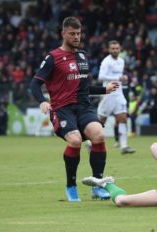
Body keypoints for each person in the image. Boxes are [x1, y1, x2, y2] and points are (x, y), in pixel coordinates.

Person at [29, 17, 119, 202]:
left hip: (84, 107)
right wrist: (42, 101)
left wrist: (104, 89)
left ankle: (98, 186)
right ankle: (71, 186)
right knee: (75, 141)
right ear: (63, 34)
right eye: (72, 34)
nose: (76, 37)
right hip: (62, 109)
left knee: (99, 136)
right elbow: (34, 84)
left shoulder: (82, 56)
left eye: (78, 33)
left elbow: (84, 88)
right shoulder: (53, 57)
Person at [97, 40, 135, 155]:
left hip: (118, 93)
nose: (115, 50)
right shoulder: (106, 61)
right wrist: (118, 77)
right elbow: (100, 77)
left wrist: (122, 79)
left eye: (117, 48)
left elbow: (119, 78)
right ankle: (89, 142)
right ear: (109, 50)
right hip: (108, 94)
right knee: (101, 121)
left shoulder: (121, 61)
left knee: (123, 118)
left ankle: (124, 146)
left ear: (120, 49)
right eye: (112, 48)